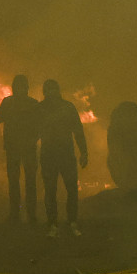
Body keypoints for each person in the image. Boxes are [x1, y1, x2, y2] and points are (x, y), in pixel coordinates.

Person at [36, 80, 87, 237]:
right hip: (49, 154)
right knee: (50, 190)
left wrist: (84, 152)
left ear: (58, 91)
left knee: (71, 189)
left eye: (53, 90)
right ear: (45, 92)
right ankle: (52, 224)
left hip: (66, 154)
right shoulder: (40, 109)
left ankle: (72, 222)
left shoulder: (67, 107)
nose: (51, 92)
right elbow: (33, 132)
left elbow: (78, 131)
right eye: (48, 90)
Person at [0, 74, 41, 224]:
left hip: (14, 147)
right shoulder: (33, 103)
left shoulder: (8, 102)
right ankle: (30, 215)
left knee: (15, 182)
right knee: (29, 182)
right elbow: (40, 125)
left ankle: (16, 215)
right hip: (27, 147)